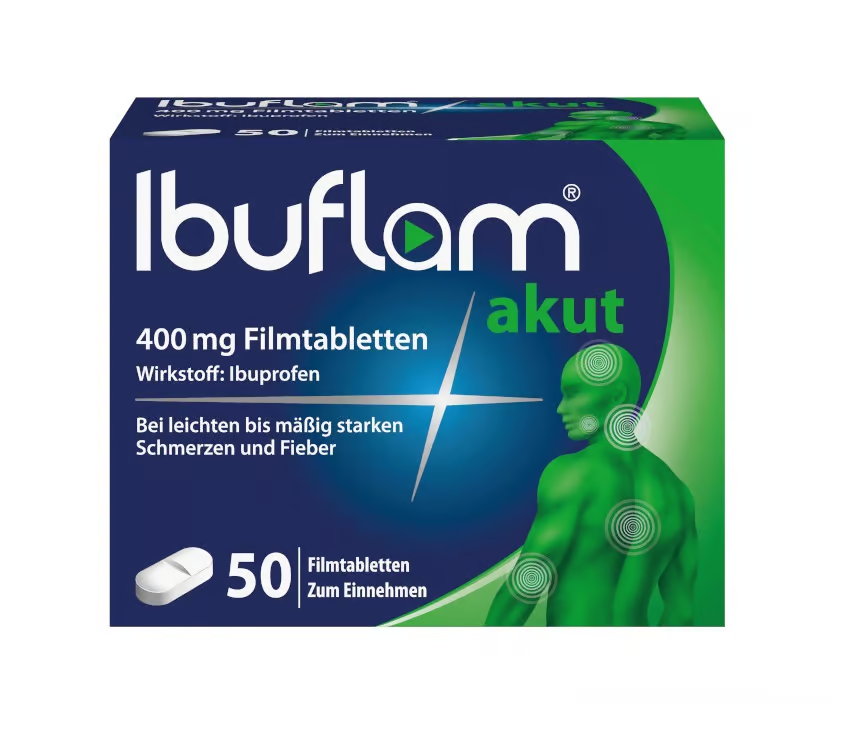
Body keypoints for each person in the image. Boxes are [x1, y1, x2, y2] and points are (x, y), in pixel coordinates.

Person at [485, 343, 697, 626]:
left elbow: (526, 585)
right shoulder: (678, 493)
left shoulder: (575, 473)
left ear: (617, 396)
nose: (561, 408)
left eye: (573, 393)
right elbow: (681, 612)